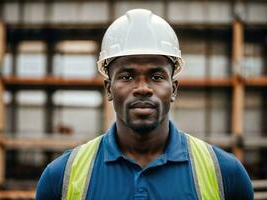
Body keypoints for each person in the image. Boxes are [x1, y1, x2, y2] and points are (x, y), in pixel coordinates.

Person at [36, 9, 253, 200]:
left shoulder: (226, 174)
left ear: (174, 89)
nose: (143, 88)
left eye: (157, 76)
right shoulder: (61, 177)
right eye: (127, 76)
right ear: (109, 89)